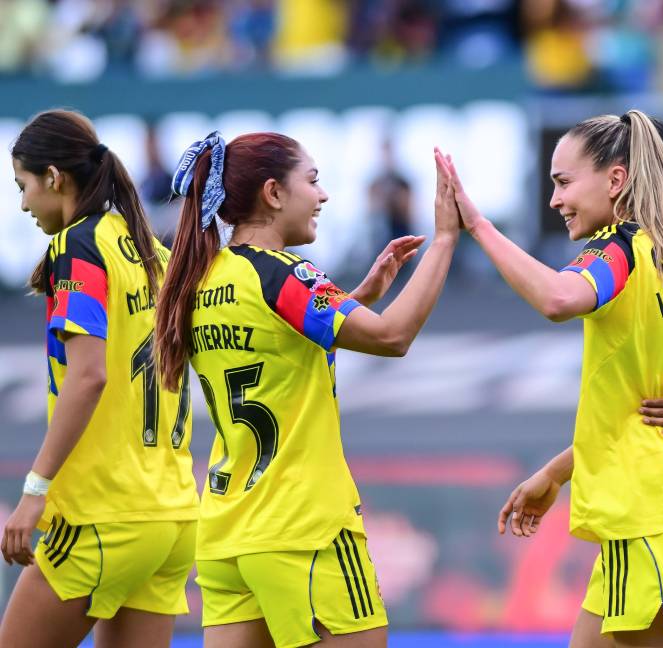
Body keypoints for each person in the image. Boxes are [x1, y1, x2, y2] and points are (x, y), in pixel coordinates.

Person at [440, 110, 663, 648]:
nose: (555, 200)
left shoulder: (623, 247)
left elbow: (559, 298)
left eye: (564, 182)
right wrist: (557, 473)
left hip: (655, 513)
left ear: (616, 180)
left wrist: (479, 226)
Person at [154, 131, 459, 648]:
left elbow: (275, 344)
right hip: (303, 530)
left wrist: (358, 298)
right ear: (274, 193)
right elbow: (392, 336)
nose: (323, 195)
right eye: (312, 181)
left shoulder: (201, 278)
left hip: (228, 535)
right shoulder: (283, 273)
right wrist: (446, 238)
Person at [0, 109, 198, 648]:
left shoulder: (78, 247)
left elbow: (89, 377)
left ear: (54, 178)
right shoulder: (152, 252)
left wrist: (34, 492)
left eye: (22, 186)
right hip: (172, 517)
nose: (22, 204)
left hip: (104, 515)